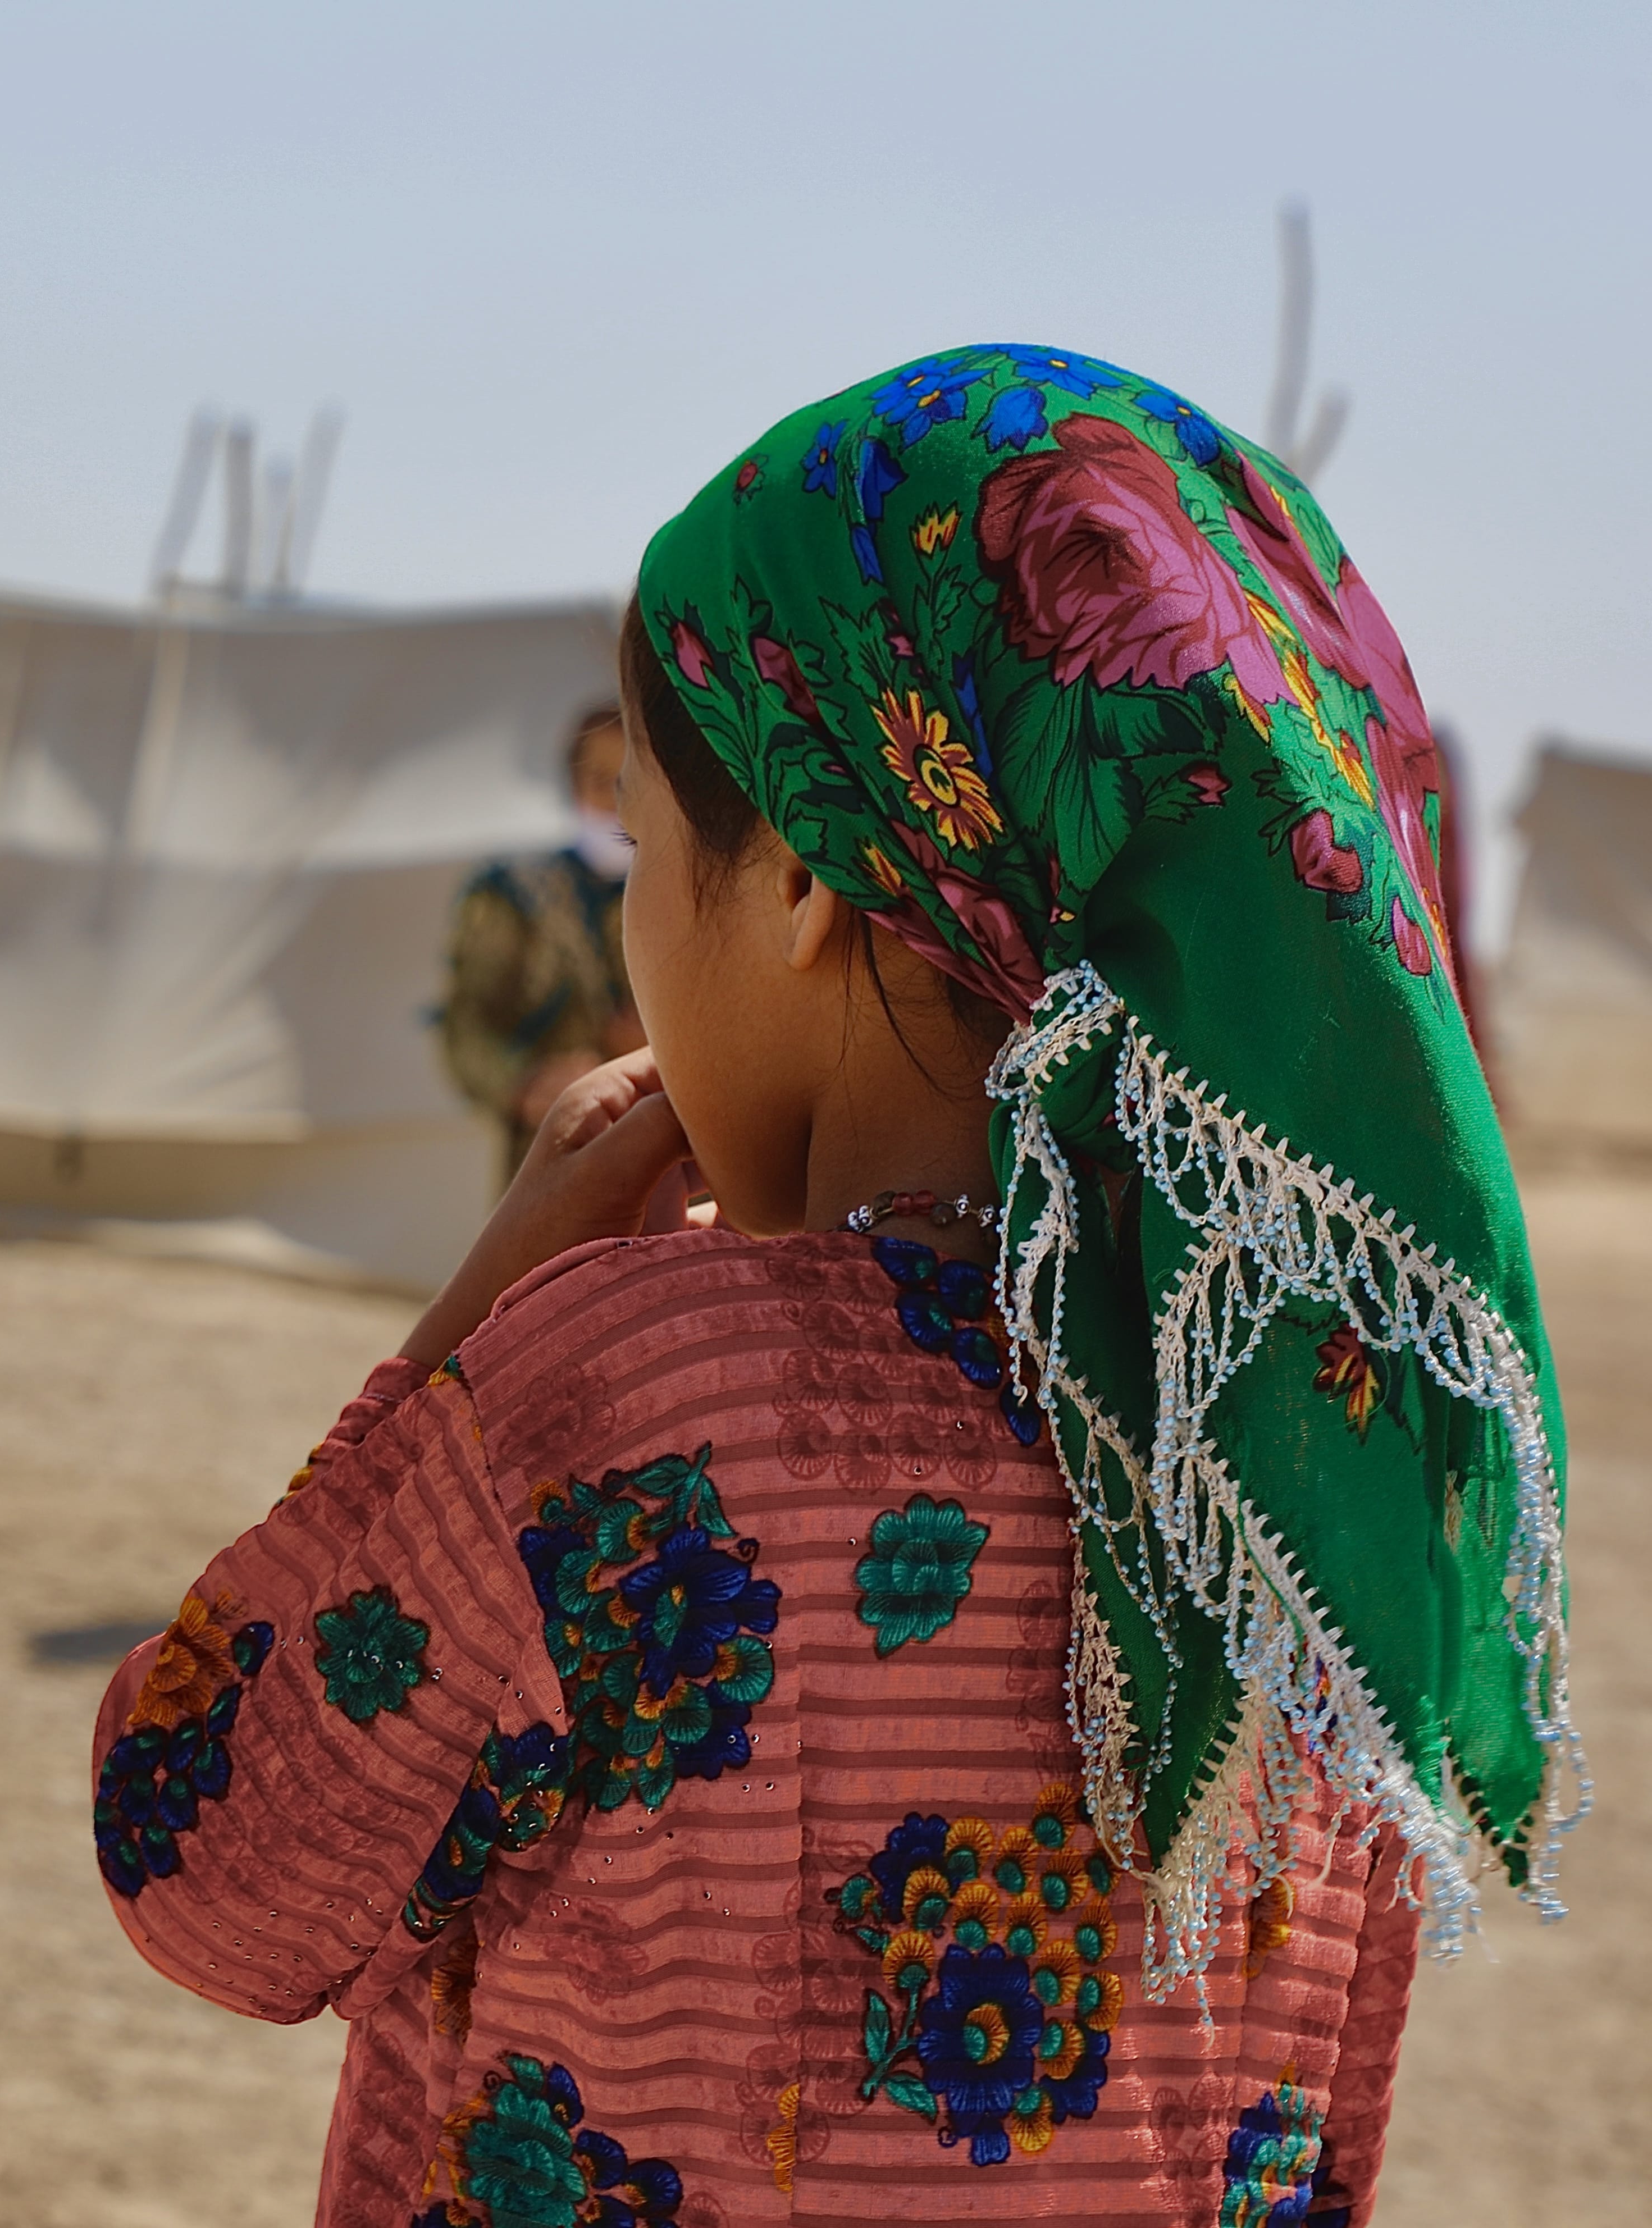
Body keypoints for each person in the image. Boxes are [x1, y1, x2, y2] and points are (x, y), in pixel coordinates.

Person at [89, 348, 1575, 2225]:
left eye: (646, 840)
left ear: (798, 876)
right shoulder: (1324, 1463)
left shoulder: (635, 1394)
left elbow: (203, 1858)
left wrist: (471, 1327)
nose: (632, 914)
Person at [436, 704, 646, 1180]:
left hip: (680, 1161)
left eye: (628, 784)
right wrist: (527, 1085)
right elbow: (465, 1028)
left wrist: (662, 1046)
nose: (614, 804)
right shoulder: (514, 895)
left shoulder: (696, 894)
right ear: (573, 788)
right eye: (599, 783)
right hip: (556, 1161)